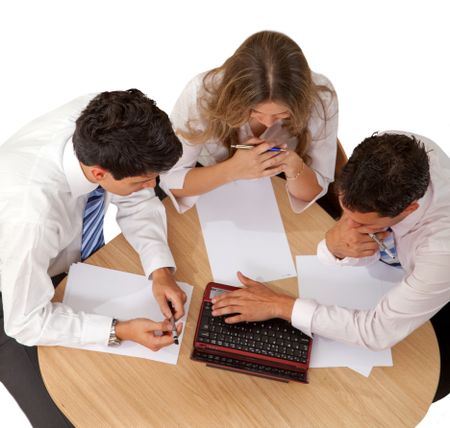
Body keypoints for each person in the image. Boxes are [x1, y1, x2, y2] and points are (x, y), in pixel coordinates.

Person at [211, 131, 450, 400]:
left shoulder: (440, 253)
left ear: (408, 209)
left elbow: (376, 332)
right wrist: (334, 246)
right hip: (393, 275)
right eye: (345, 211)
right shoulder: (397, 152)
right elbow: (355, 236)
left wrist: (279, 305)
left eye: (362, 223)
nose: (348, 224)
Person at [0, 89, 186, 427]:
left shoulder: (105, 124)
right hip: (12, 296)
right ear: (99, 174)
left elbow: (136, 197)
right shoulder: (33, 217)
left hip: (56, 258)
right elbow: (25, 322)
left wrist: (160, 269)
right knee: (69, 417)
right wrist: (119, 330)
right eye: (143, 180)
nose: (152, 185)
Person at [159, 30, 338, 213]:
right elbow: (170, 179)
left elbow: (316, 188)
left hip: (279, 191)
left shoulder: (321, 98)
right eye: (255, 112)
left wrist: (295, 167)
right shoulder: (201, 94)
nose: (268, 123)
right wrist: (232, 169)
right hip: (208, 180)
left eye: (282, 114)